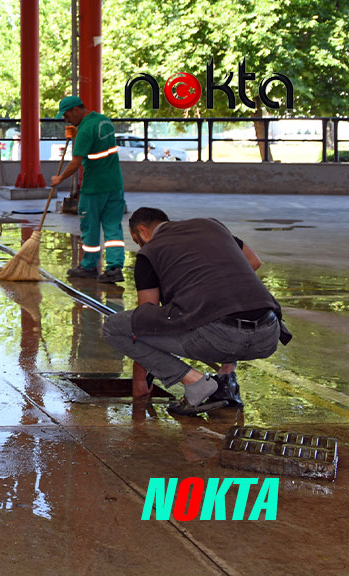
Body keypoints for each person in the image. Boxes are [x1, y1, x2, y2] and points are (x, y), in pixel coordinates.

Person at [102, 207, 292, 416]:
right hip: (268, 336)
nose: (140, 245)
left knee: (113, 328)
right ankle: (227, 377)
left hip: (219, 338)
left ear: (142, 230)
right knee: (226, 301)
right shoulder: (211, 226)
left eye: (137, 240)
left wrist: (139, 378)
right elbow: (254, 261)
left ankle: (195, 382)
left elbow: (145, 319)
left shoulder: (150, 251)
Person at [50, 96, 126, 283]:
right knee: (112, 226)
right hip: (115, 184)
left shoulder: (85, 130)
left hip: (94, 187)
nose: (67, 120)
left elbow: (76, 162)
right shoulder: (104, 121)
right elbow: (98, 145)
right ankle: (114, 268)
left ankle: (89, 265)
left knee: (90, 226)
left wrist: (60, 178)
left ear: (75, 110)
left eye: (67, 115)